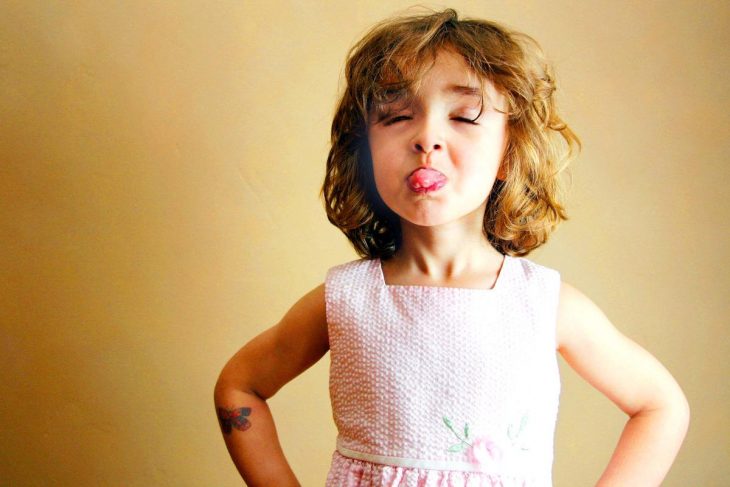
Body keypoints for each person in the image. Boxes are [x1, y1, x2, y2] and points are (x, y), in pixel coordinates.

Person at [214, 8, 689, 486]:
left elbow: (659, 406)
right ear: (365, 150)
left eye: (464, 116)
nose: (427, 138)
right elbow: (240, 387)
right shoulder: (345, 300)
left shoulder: (544, 305)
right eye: (397, 116)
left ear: (509, 152)